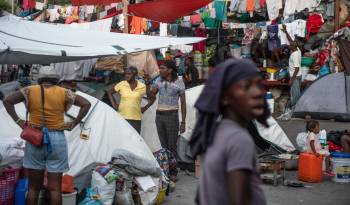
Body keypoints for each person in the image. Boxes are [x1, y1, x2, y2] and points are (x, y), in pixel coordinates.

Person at [3, 66, 91, 205]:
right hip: (57, 138)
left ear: (40, 79)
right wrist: (74, 123)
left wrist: (19, 121)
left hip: (35, 138)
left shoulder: (29, 90)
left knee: (33, 188)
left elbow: (7, 101)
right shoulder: (64, 92)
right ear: (56, 80)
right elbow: (86, 104)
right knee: (55, 188)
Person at [190, 59, 268, 205]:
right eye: (246, 86)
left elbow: (201, 195)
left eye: (258, 85)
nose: (258, 92)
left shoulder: (213, 132)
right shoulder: (239, 139)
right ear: (225, 97)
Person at [149, 60, 186, 162]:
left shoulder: (179, 82)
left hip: (172, 115)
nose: (160, 70)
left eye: (162, 68)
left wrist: (183, 122)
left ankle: (173, 171)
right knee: (163, 146)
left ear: (169, 70)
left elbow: (183, 103)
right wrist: (149, 87)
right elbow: (152, 96)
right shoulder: (158, 81)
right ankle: (167, 170)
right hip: (159, 115)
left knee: (172, 145)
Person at [107, 66, 154, 133]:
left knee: (135, 140)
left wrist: (145, 108)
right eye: (125, 74)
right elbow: (109, 92)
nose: (126, 76)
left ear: (135, 75)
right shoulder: (122, 84)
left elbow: (152, 98)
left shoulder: (142, 86)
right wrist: (114, 105)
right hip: (122, 117)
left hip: (135, 118)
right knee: (122, 139)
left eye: (129, 74)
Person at [287, 42, 302, 107]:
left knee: (295, 94)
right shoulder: (298, 51)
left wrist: (291, 79)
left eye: (290, 45)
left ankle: (295, 108)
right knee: (297, 92)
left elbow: (297, 68)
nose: (289, 46)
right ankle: (297, 107)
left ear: (294, 46)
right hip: (298, 76)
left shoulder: (295, 55)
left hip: (295, 77)